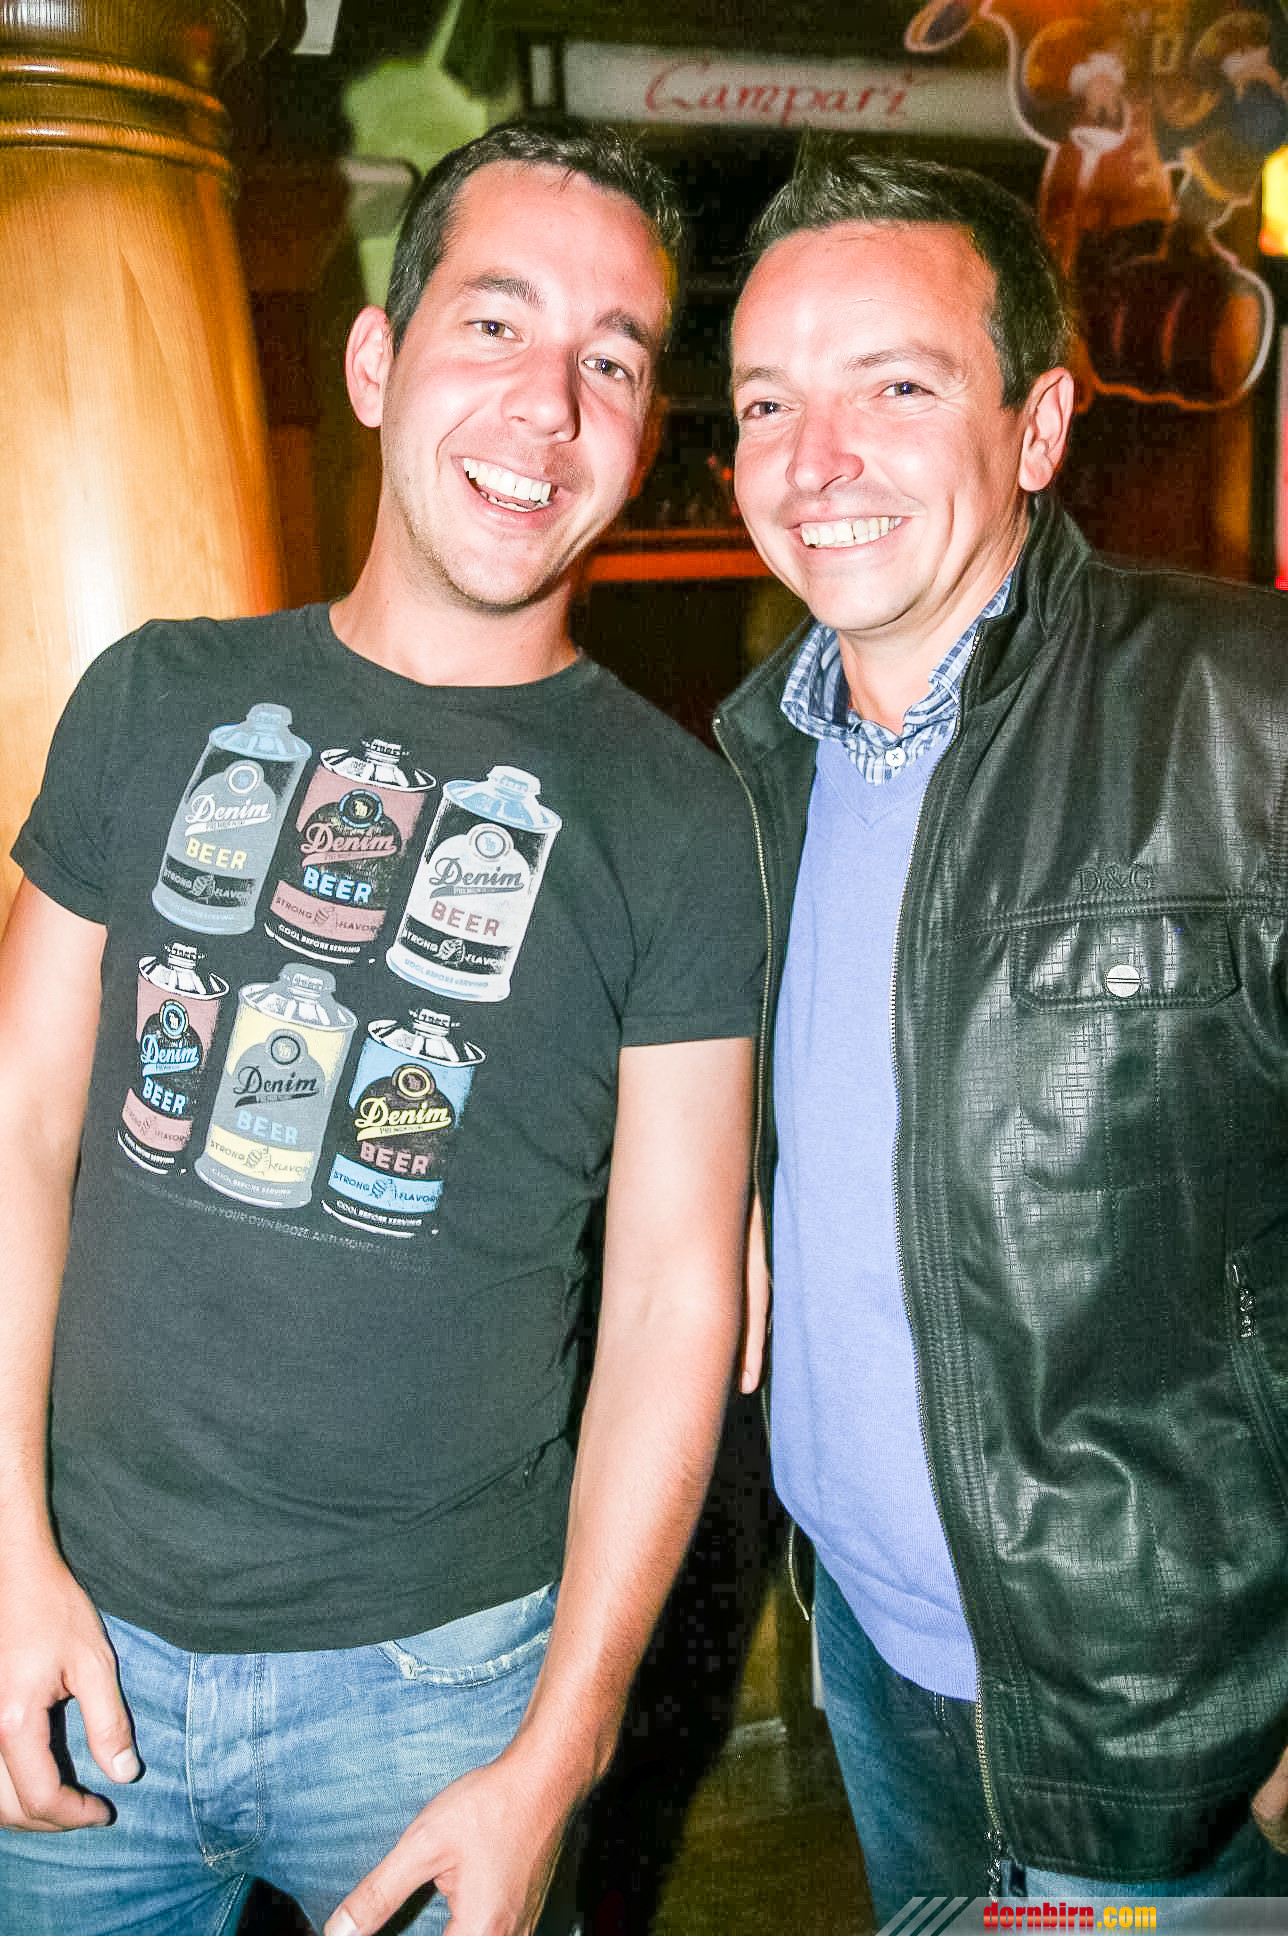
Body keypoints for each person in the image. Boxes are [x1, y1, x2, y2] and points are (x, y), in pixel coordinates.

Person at [0, 122, 763, 1936]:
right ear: (375, 359)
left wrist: (560, 1751)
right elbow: (19, 1126)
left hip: (443, 1692)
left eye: (611, 361)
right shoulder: (156, 695)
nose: (548, 408)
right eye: (495, 324)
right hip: (73, 1627)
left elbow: (678, 1298)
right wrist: (2, 1548)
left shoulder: (678, 819)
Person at [714, 147, 1288, 1918]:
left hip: (1166, 1717)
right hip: (870, 1652)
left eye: (896, 387)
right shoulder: (749, 765)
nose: (817, 460)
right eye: (767, 402)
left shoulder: (1247, 712)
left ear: (1036, 428)